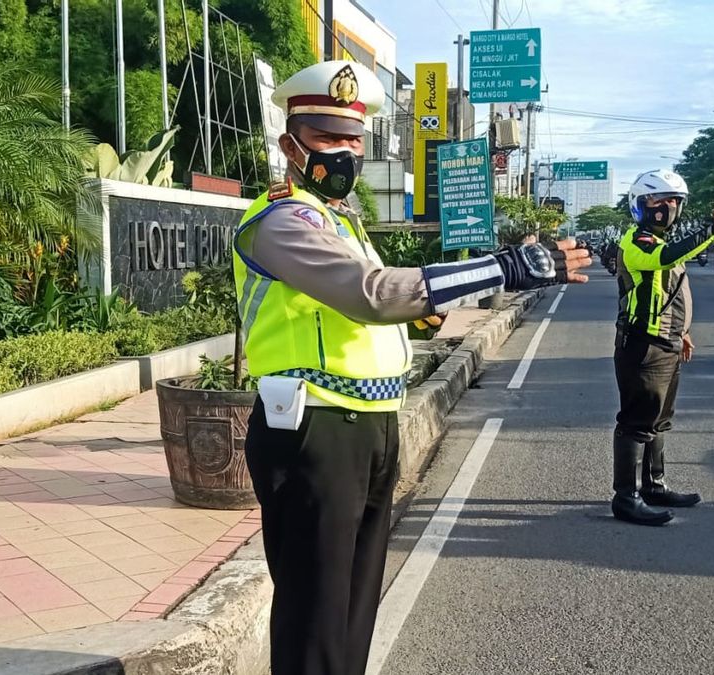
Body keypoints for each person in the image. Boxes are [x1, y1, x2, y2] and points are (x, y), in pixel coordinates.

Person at [232, 60, 591, 675]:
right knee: (315, 617)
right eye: (326, 137)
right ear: (291, 144)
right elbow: (369, 294)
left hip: (372, 423)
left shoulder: (343, 223)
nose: (343, 151)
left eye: (352, 138)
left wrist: (420, 317)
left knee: (354, 607)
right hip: (314, 429)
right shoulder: (280, 221)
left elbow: (378, 312)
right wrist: (502, 268)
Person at [612, 169, 714, 526]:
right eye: (659, 201)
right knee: (636, 423)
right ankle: (625, 498)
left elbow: (670, 290)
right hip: (642, 344)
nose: (668, 208)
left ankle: (653, 486)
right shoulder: (637, 241)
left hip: (668, 343)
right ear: (641, 205)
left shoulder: (657, 243)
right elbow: (668, 256)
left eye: (674, 202)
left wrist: (682, 331)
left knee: (659, 421)